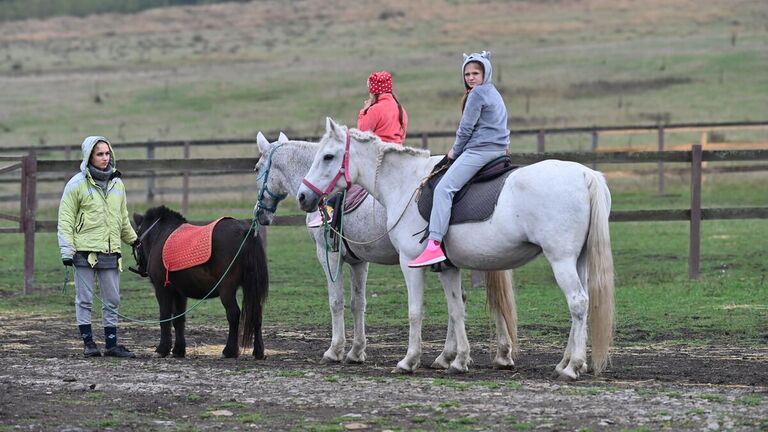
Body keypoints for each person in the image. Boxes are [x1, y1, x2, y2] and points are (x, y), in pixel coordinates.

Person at [408, 51, 510, 267]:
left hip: (480, 151)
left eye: (475, 73)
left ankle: (434, 243)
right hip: (499, 150)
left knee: (443, 188)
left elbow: (465, 129)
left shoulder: (477, 94)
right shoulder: (493, 92)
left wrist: (454, 152)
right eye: (467, 74)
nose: (471, 77)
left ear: (485, 73)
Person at [58, 136, 138, 357]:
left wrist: (134, 240)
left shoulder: (117, 184)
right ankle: (88, 343)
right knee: (84, 299)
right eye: (100, 154)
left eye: (107, 153)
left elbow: (123, 219)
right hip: (83, 252)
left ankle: (111, 345)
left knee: (112, 299)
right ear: (89, 157)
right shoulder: (75, 185)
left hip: (111, 251)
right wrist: (67, 251)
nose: (105, 158)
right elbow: (65, 220)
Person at [308, 70, 408, 227]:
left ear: (374, 90)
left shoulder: (375, 109)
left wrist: (364, 111)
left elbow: (361, 134)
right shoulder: (400, 109)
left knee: (347, 182)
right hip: (398, 158)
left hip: (377, 158)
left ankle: (329, 212)